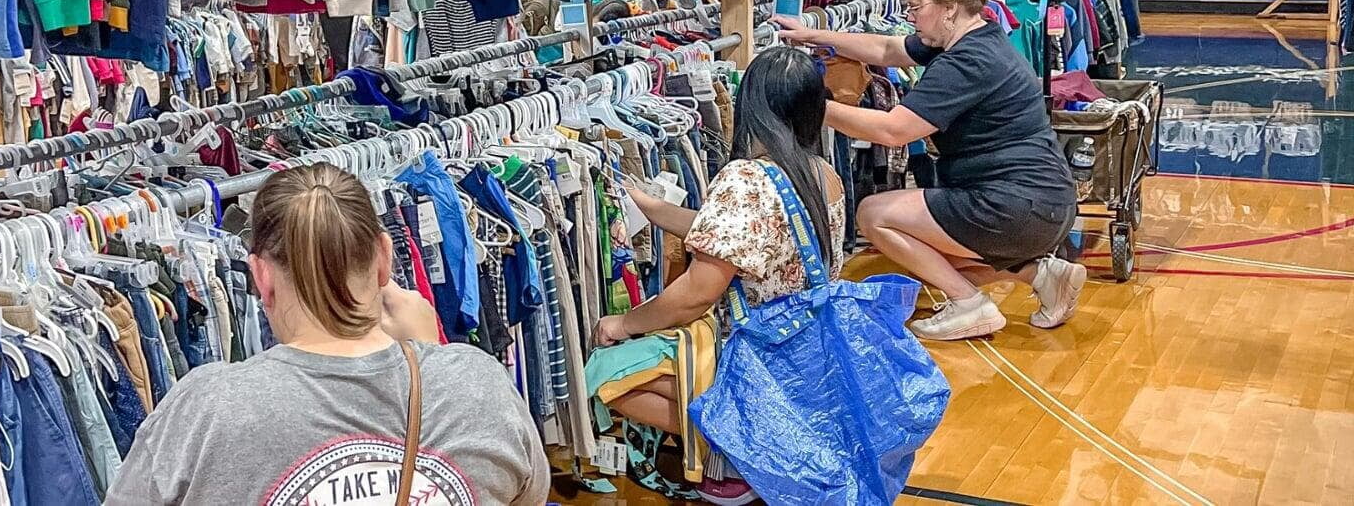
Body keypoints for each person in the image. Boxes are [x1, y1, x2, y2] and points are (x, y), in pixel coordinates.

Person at [105, 163, 550, 506]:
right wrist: (431, 358)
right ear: (383, 258)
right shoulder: (479, 385)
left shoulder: (204, 412)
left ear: (260, 276)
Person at [773, 0, 1085, 341]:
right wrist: (812, 35)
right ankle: (1043, 275)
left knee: (874, 215)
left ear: (949, 7)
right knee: (928, 254)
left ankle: (969, 304)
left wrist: (808, 104)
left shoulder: (965, 62)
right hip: (1044, 200)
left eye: (916, 7)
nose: (909, 16)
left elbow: (893, 130)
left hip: (1015, 206)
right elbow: (886, 48)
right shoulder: (974, 38)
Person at [588, 45, 845, 501]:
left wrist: (623, 324)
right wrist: (654, 208)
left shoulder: (745, 178)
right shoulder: (823, 174)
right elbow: (747, 236)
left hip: (752, 350)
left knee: (608, 372)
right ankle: (761, 441)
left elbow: (697, 292)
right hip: (808, 345)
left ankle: (737, 444)